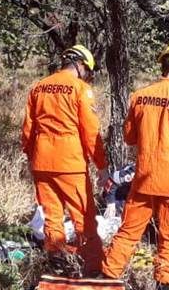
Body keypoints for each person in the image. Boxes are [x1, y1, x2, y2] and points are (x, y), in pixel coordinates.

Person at [101, 43, 169, 290]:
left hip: (144, 180)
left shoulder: (140, 96)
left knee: (128, 233)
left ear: (163, 64)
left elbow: (129, 137)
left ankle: (105, 281)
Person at [21, 45, 107, 274]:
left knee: (52, 216)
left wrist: (31, 157)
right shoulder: (80, 89)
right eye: (87, 71)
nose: (87, 76)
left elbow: (28, 129)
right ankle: (93, 269)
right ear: (80, 65)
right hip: (70, 163)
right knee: (84, 217)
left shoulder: (39, 87)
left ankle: (56, 264)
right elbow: (91, 132)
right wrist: (101, 165)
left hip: (42, 161)